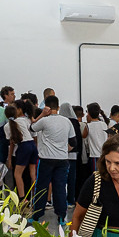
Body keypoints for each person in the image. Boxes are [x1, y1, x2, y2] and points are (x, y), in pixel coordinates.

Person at [30, 95, 77, 227]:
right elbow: (73, 142)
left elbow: (32, 128)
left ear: (46, 107)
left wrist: (41, 115)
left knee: (41, 187)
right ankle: (61, 217)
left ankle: (36, 216)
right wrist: (63, 150)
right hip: (62, 160)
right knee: (60, 188)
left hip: (46, 160)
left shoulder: (44, 121)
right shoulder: (67, 121)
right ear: (58, 107)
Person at [4, 103, 37, 200]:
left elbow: (11, 143)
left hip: (23, 147)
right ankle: (36, 196)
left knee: (17, 174)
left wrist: (9, 158)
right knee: (33, 174)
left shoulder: (7, 126)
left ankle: (23, 198)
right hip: (32, 145)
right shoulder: (24, 120)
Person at [61, 104, 87, 206]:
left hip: (61, 154)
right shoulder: (75, 122)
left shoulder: (62, 122)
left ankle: (61, 200)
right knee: (72, 178)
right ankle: (71, 200)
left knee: (62, 179)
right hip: (74, 154)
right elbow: (78, 139)